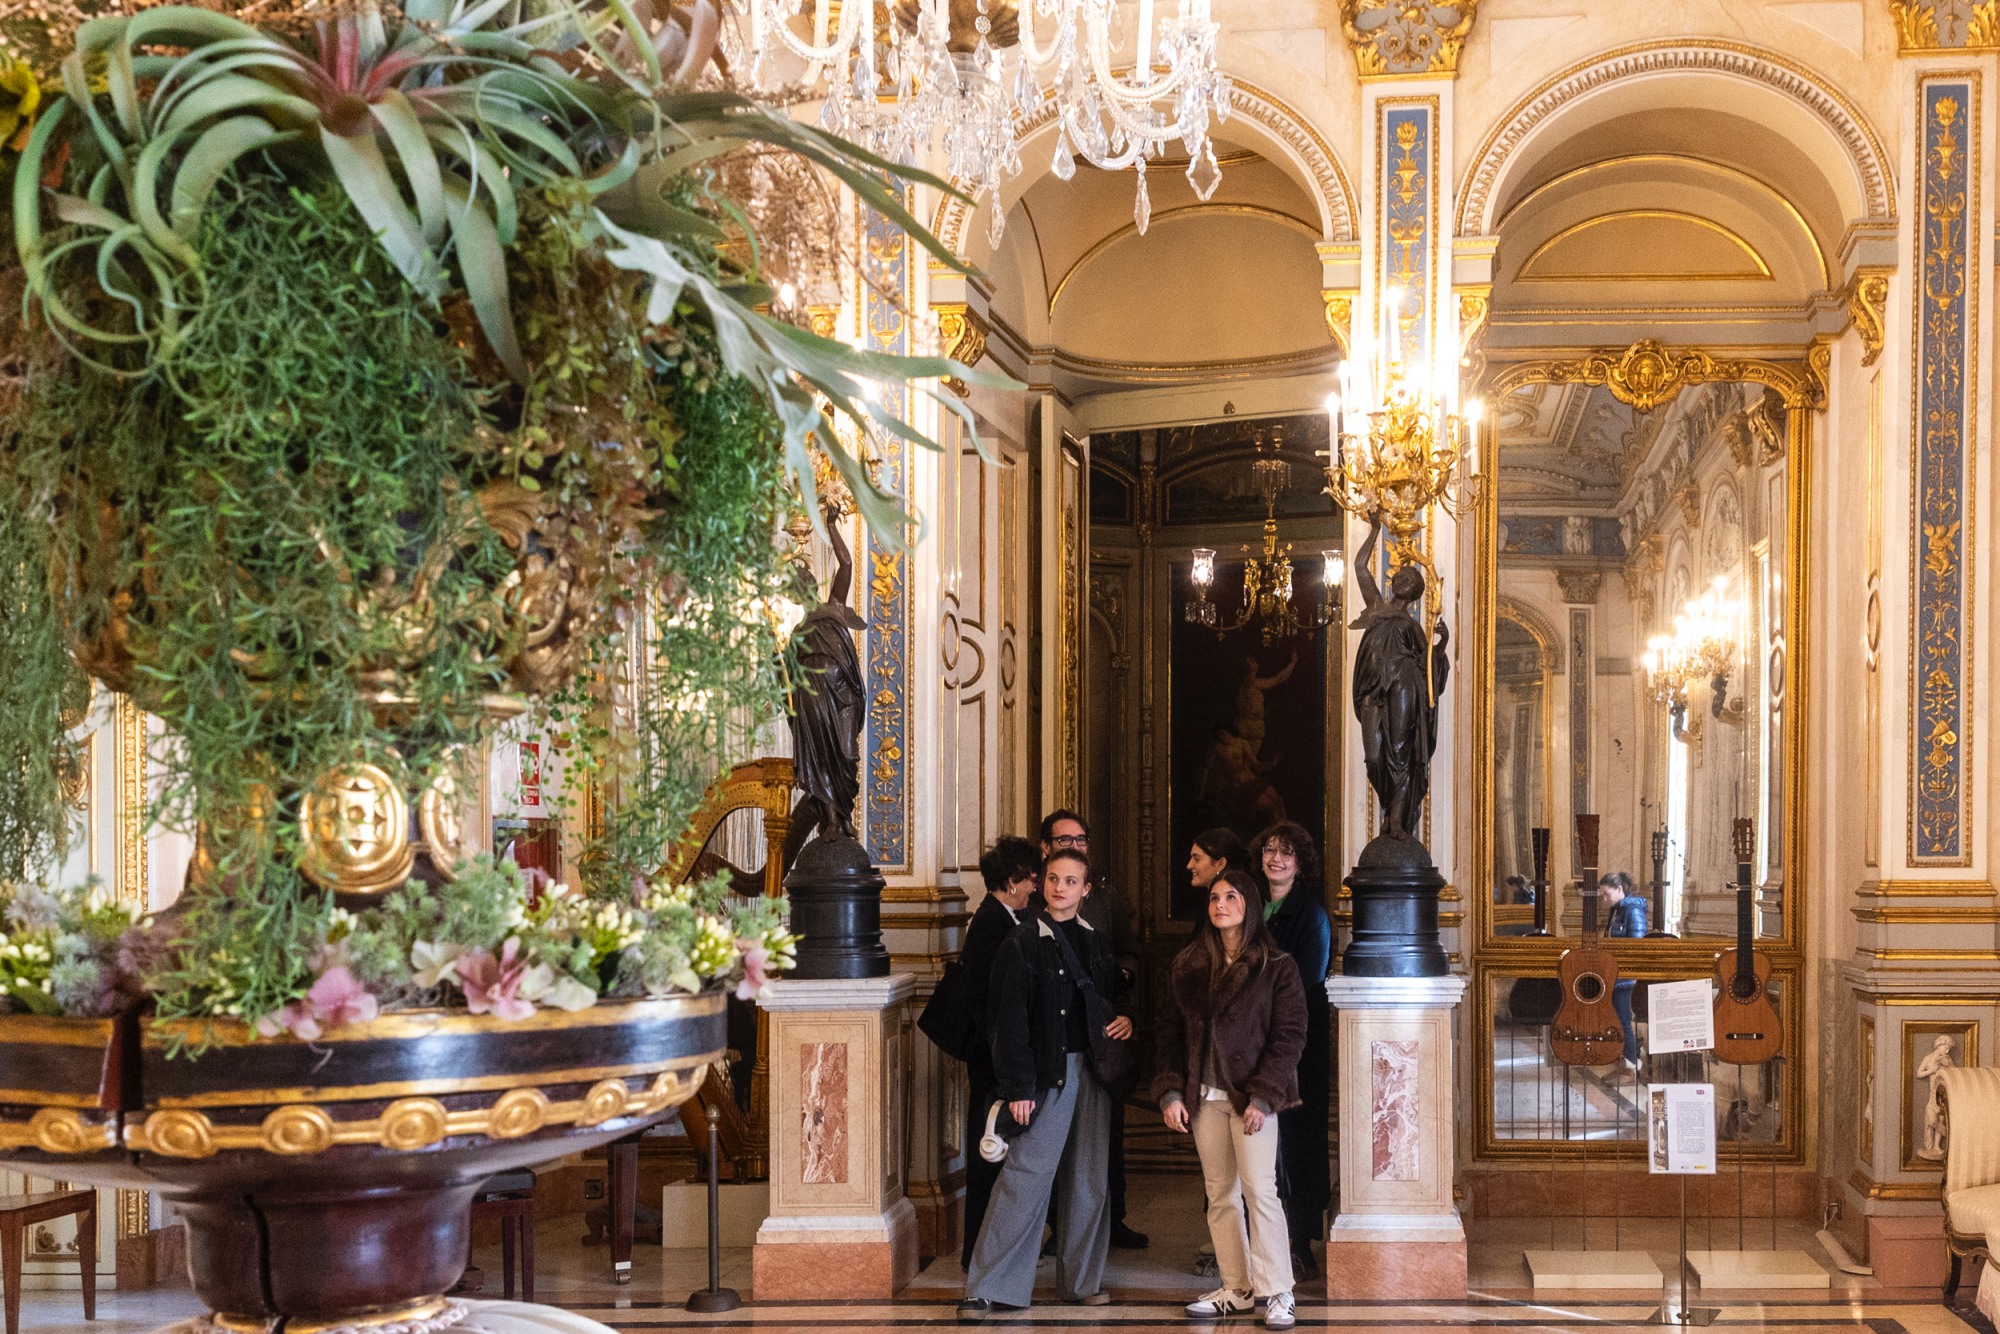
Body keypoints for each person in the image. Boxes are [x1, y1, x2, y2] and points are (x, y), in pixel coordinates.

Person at [959, 849, 1132, 1318]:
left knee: (1090, 1181)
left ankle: (1080, 1283)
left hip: (1092, 1074)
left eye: (1071, 881)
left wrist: (1125, 1021)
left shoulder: (1096, 943)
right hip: (1046, 1075)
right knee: (1026, 1178)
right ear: (1042, 883)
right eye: (1053, 878)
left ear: (1085, 889)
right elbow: (1008, 1021)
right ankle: (989, 1285)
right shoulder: (1021, 942)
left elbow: (1109, 999)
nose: (1060, 888)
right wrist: (1018, 1088)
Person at [1155, 870, 1308, 1331]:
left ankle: (1279, 1292)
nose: (1220, 904)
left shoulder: (1276, 965)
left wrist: (1264, 1096)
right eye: (1215, 897)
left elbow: (1290, 1035)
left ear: (1251, 904)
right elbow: (1168, 1032)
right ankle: (1237, 1289)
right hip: (1203, 1097)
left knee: (1261, 1190)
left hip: (1250, 1100)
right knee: (1219, 1194)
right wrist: (1169, 1091)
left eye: (1231, 897)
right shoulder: (1188, 964)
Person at [1038, 810, 1146, 1250]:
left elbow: (1131, 954)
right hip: (1054, 1041)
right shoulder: (1037, 909)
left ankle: (1110, 1220)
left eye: (1081, 839)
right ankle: (1056, 1229)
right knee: (1051, 1143)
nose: (1075, 846)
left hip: (1099, 1039)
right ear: (1045, 848)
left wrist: (1122, 996)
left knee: (1103, 1139)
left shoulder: (1106, 899)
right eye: (1065, 839)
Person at [1251, 821, 1331, 1279]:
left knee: (1297, 1140)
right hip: (1252, 1038)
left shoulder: (1311, 913)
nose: (1275, 859)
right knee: (1258, 1138)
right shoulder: (1248, 902)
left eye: (1285, 853)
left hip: (1297, 1041)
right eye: (1269, 849)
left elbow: (1305, 980)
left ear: (1300, 863)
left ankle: (1300, 1242)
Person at [958, 836, 1042, 1270]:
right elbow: (988, 1002)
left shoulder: (1002, 916)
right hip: (992, 1064)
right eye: (1032, 878)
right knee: (988, 1158)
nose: (1037, 887)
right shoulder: (994, 924)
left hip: (996, 1060)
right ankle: (979, 1254)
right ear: (1013, 881)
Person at [1348, 517, 1450, 845]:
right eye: (1401, 574)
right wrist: (1375, 529)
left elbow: (1431, 671)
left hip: (1405, 685)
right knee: (1375, 756)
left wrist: (1441, 645)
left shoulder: (1414, 627)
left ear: (1415, 593)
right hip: (1371, 692)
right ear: (1394, 583)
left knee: (1402, 751)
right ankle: (1389, 805)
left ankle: (1395, 819)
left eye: (1411, 578)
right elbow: (1360, 565)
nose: (1404, 577)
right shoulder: (1376, 607)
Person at [1599, 871, 1649, 1068]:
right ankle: (1623, 1063)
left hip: (1625, 978)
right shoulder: (1617, 909)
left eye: (1606, 894)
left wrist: (1632, 973)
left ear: (1620, 889)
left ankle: (1632, 1066)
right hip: (1614, 976)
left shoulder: (1632, 910)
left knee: (1623, 1022)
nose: (1604, 899)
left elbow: (1636, 945)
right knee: (1616, 1021)